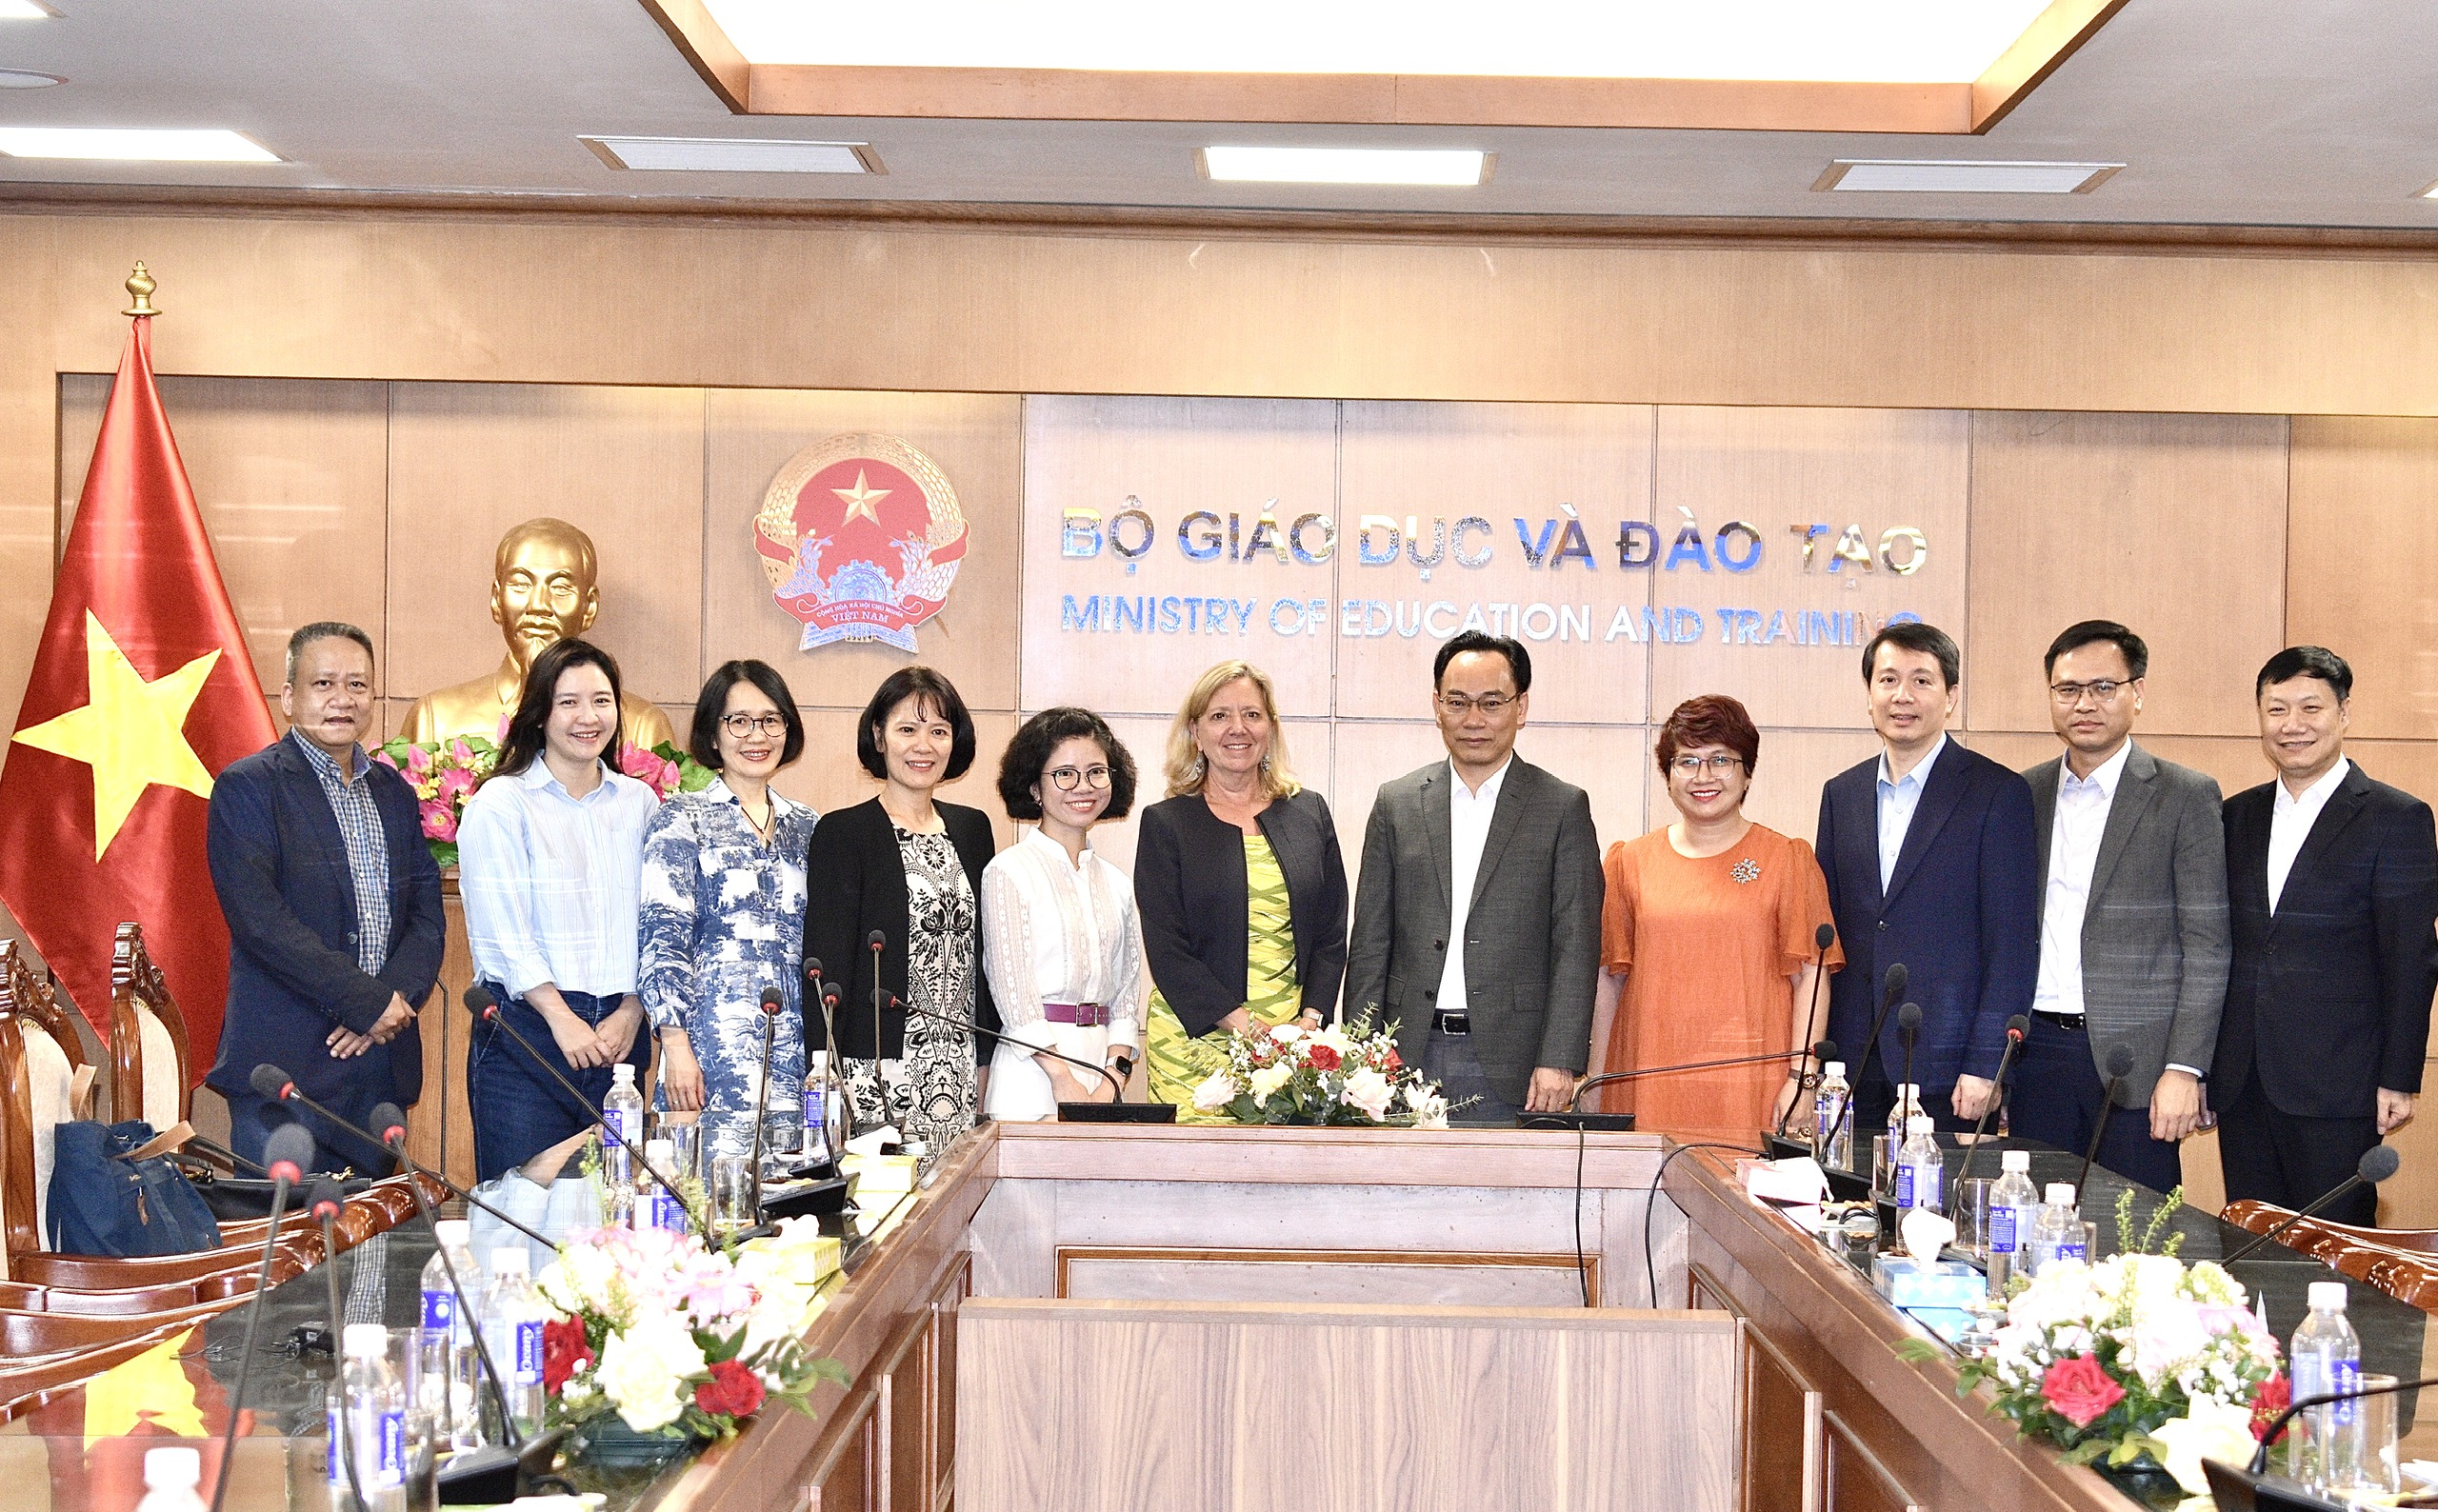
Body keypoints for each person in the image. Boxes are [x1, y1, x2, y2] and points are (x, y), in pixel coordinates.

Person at [205, 623, 445, 1175]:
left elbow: (426, 914)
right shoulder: (248, 787)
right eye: (324, 684)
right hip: (285, 1070)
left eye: (357, 685)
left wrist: (389, 1002)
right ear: (289, 697)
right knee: (282, 1229)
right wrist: (365, 1004)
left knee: (373, 1228)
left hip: (377, 1069)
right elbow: (261, 922)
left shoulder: (394, 791)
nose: (343, 699)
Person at [2215, 646, 2438, 1224]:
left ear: (2344, 713)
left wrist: (2398, 1078)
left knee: (2334, 1251)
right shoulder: (2235, 816)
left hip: (2342, 1083)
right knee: (2250, 1242)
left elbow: (2412, 958)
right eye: (2277, 709)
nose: (2293, 724)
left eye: (2310, 708)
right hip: (2243, 1080)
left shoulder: (2396, 818)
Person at [1345, 631, 1603, 1124]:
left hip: (1516, 1063)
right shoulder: (1397, 802)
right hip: (1403, 1055)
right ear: (1437, 706)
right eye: (1458, 702)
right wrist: (1361, 1049)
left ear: (1520, 707)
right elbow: (1371, 940)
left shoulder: (1561, 807)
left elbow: (1577, 943)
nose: (1473, 719)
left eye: (1491, 703)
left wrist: (1559, 1058)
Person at [2015, 621, 2229, 1193]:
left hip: (2139, 1064)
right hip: (2037, 1054)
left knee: (2135, 1231)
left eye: (2104, 687)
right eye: (2068, 689)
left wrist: (2184, 1068)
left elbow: (2208, 946)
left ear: (2137, 693)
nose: (2085, 704)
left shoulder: (2185, 794)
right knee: (2034, 1222)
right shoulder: (2024, 793)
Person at [1816, 621, 2037, 1133]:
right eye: (1888, 680)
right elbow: (1832, 933)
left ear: (1950, 696)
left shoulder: (1996, 792)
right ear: (1869, 694)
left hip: (1949, 1064)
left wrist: (1988, 1063)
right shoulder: (1841, 794)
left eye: (1921, 681)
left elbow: (2011, 942)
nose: (1903, 696)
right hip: (1853, 1061)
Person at [457, 638, 658, 1183]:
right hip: (528, 1031)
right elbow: (502, 931)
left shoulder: (639, 804)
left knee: (614, 1199)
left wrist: (632, 1009)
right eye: (568, 702)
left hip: (620, 1033)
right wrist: (562, 1018)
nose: (587, 717)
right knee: (522, 1202)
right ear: (540, 713)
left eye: (601, 701)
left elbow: (657, 924)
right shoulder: (501, 804)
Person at [1591, 696, 1840, 1137]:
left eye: (1721, 760)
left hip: (1752, 1084)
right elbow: (1609, 980)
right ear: (1668, 776)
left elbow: (1811, 976)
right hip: (1647, 1077)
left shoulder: (1786, 860)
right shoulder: (1629, 862)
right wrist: (1595, 1081)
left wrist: (1803, 1079)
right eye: (1687, 761)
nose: (1703, 776)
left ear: (1747, 774)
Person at [1137, 662, 1347, 1119]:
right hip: (1194, 1041)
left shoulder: (1309, 812)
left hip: (1290, 1045)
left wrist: (1310, 1022)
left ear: (1270, 727)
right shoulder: (1166, 823)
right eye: (1220, 716)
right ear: (1195, 731)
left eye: (1252, 714)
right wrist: (1245, 1026)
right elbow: (1167, 949)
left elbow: (1330, 934)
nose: (1238, 728)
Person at [801, 666, 997, 1158]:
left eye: (938, 731)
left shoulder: (973, 830)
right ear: (879, 737)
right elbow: (826, 965)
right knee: (884, 1198)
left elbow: (986, 957)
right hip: (876, 1068)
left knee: (953, 1195)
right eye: (907, 729)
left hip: (958, 1061)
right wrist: (825, 1071)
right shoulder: (843, 833)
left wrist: (986, 1058)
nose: (923, 746)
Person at [638, 661, 818, 1157]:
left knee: (795, 1191)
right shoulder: (681, 819)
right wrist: (675, 1046)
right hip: (708, 1053)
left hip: (796, 1056)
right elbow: (662, 938)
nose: (756, 735)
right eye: (739, 721)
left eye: (770, 720)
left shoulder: (810, 827)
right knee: (703, 1190)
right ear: (713, 734)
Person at [980, 707, 1145, 1121]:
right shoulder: (1008, 871)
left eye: (1096, 772)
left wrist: (1113, 1078)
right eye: (1065, 774)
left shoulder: (1117, 882)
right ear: (1035, 787)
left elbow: (1126, 996)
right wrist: (1062, 1078)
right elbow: (1013, 994)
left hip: (1102, 1075)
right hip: (1032, 1073)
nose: (1083, 786)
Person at [402, 516, 675, 751]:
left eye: (560, 588)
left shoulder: (642, 727)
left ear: (589, 606)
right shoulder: (435, 720)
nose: (538, 605)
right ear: (496, 599)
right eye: (521, 584)